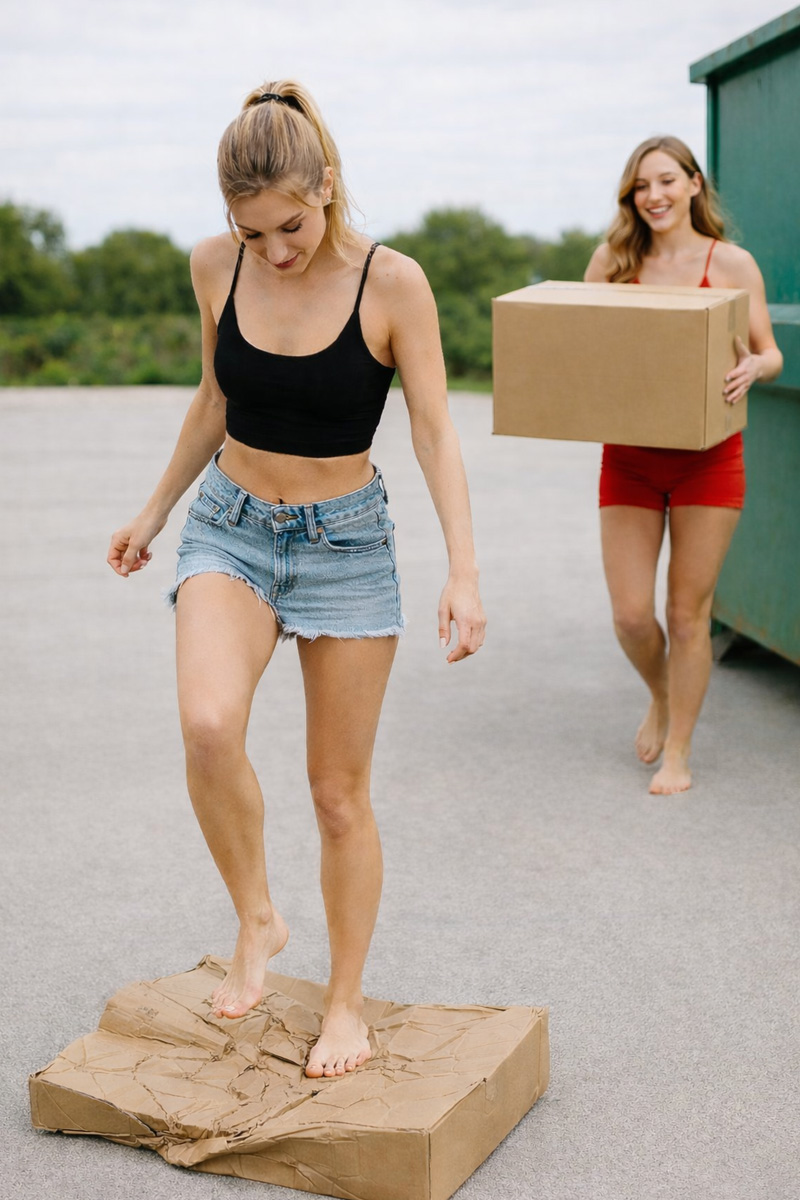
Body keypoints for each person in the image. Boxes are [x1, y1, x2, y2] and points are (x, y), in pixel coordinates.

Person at [107, 80, 485, 1078]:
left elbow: (435, 428)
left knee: (335, 794)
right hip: (227, 525)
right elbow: (211, 399)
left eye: (291, 225)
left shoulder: (392, 283)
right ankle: (258, 916)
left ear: (327, 184)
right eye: (252, 231)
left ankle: (346, 1003)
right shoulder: (212, 266)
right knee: (204, 725)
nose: (275, 250)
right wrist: (152, 513)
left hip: (345, 546)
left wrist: (463, 570)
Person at [584, 135, 782, 796]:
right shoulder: (614, 261)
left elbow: (769, 351)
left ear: (695, 184)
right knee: (633, 615)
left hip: (710, 461)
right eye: (641, 186)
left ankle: (679, 749)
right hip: (630, 459)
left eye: (667, 181)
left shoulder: (730, 265)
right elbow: (583, 340)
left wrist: (756, 365)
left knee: (688, 611)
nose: (654, 196)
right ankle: (662, 693)